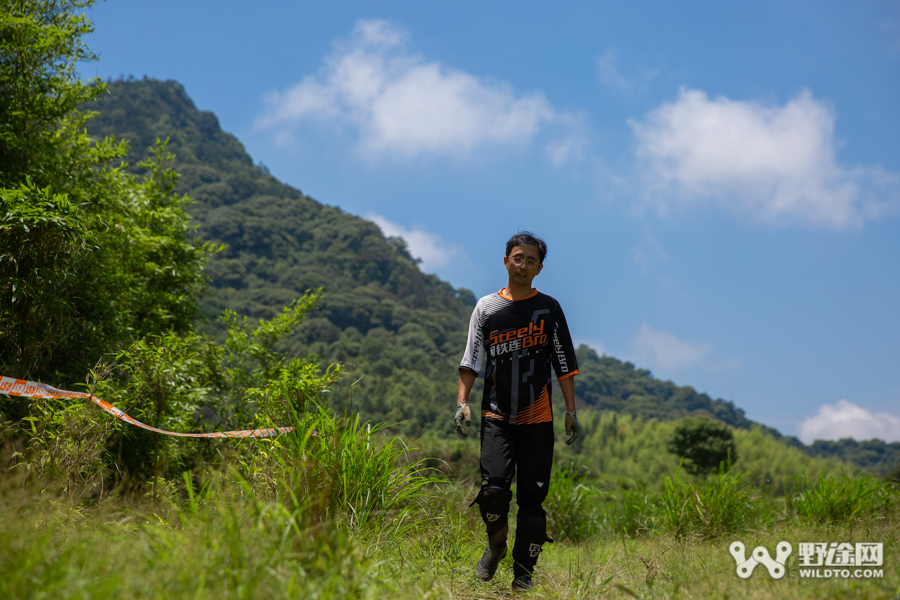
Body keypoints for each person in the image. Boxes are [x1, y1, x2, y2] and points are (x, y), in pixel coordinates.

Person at [455, 231, 581, 592]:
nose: (522, 264)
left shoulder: (550, 309)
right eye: (517, 257)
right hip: (495, 415)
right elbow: (471, 360)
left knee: (532, 503)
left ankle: (523, 576)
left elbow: (564, 364)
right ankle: (496, 545)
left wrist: (571, 411)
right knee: (493, 491)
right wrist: (462, 402)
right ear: (506, 261)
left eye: (530, 260)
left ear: (539, 268)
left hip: (538, 418)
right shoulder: (486, 308)